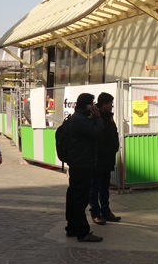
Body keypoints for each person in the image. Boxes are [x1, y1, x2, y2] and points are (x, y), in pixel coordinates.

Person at [65, 93, 104, 242]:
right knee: (81, 199)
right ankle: (83, 232)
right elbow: (97, 134)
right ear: (87, 105)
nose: (93, 106)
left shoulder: (76, 118)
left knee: (74, 196)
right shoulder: (82, 120)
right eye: (91, 104)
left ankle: (72, 228)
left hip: (76, 162)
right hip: (82, 163)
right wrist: (98, 117)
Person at [89, 92, 121, 225]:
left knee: (105, 186)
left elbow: (113, 134)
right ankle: (95, 213)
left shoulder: (109, 118)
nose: (112, 106)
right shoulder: (95, 117)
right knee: (95, 187)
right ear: (103, 105)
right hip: (98, 159)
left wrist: (114, 148)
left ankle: (106, 211)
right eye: (110, 104)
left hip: (108, 158)